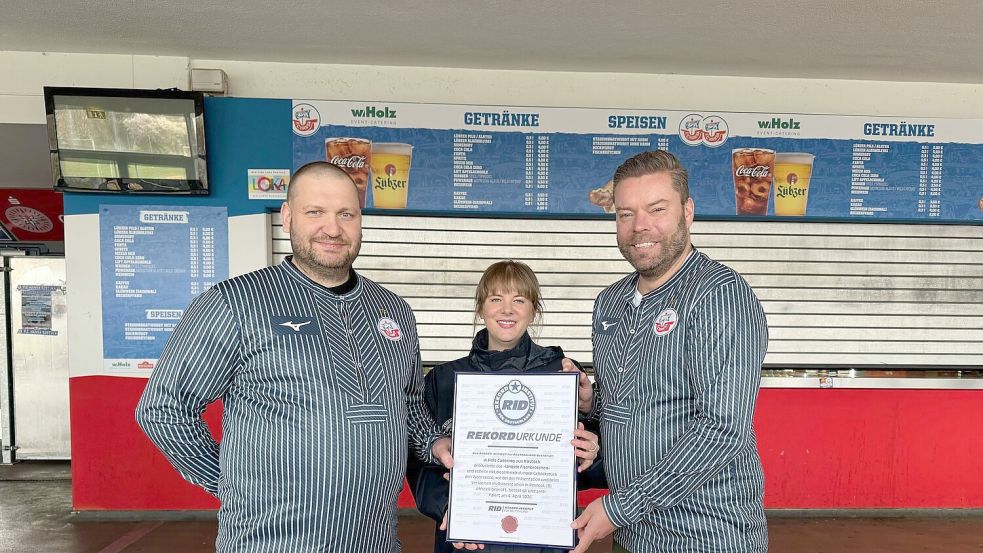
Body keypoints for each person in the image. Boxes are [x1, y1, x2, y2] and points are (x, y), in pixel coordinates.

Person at [135, 161, 451, 552]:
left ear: (360, 221)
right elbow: (164, 408)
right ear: (287, 217)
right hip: (269, 542)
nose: (332, 228)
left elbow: (409, 403)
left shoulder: (394, 310)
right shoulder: (234, 303)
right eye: (315, 212)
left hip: (375, 540)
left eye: (346, 214)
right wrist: (230, 485)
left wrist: (434, 442)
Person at [571, 150, 769, 553]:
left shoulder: (719, 295)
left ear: (688, 212)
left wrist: (620, 508)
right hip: (632, 534)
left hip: (707, 537)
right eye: (626, 214)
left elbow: (722, 430)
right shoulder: (609, 303)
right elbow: (629, 408)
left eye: (657, 209)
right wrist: (591, 405)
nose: (639, 226)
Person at [406, 260, 606, 553]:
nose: (507, 309)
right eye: (496, 299)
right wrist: (448, 506)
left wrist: (591, 450)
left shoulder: (562, 375)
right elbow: (419, 460)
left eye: (519, 300)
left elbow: (592, 465)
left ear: (534, 310)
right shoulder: (444, 380)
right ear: (481, 308)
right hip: (469, 541)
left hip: (542, 541)